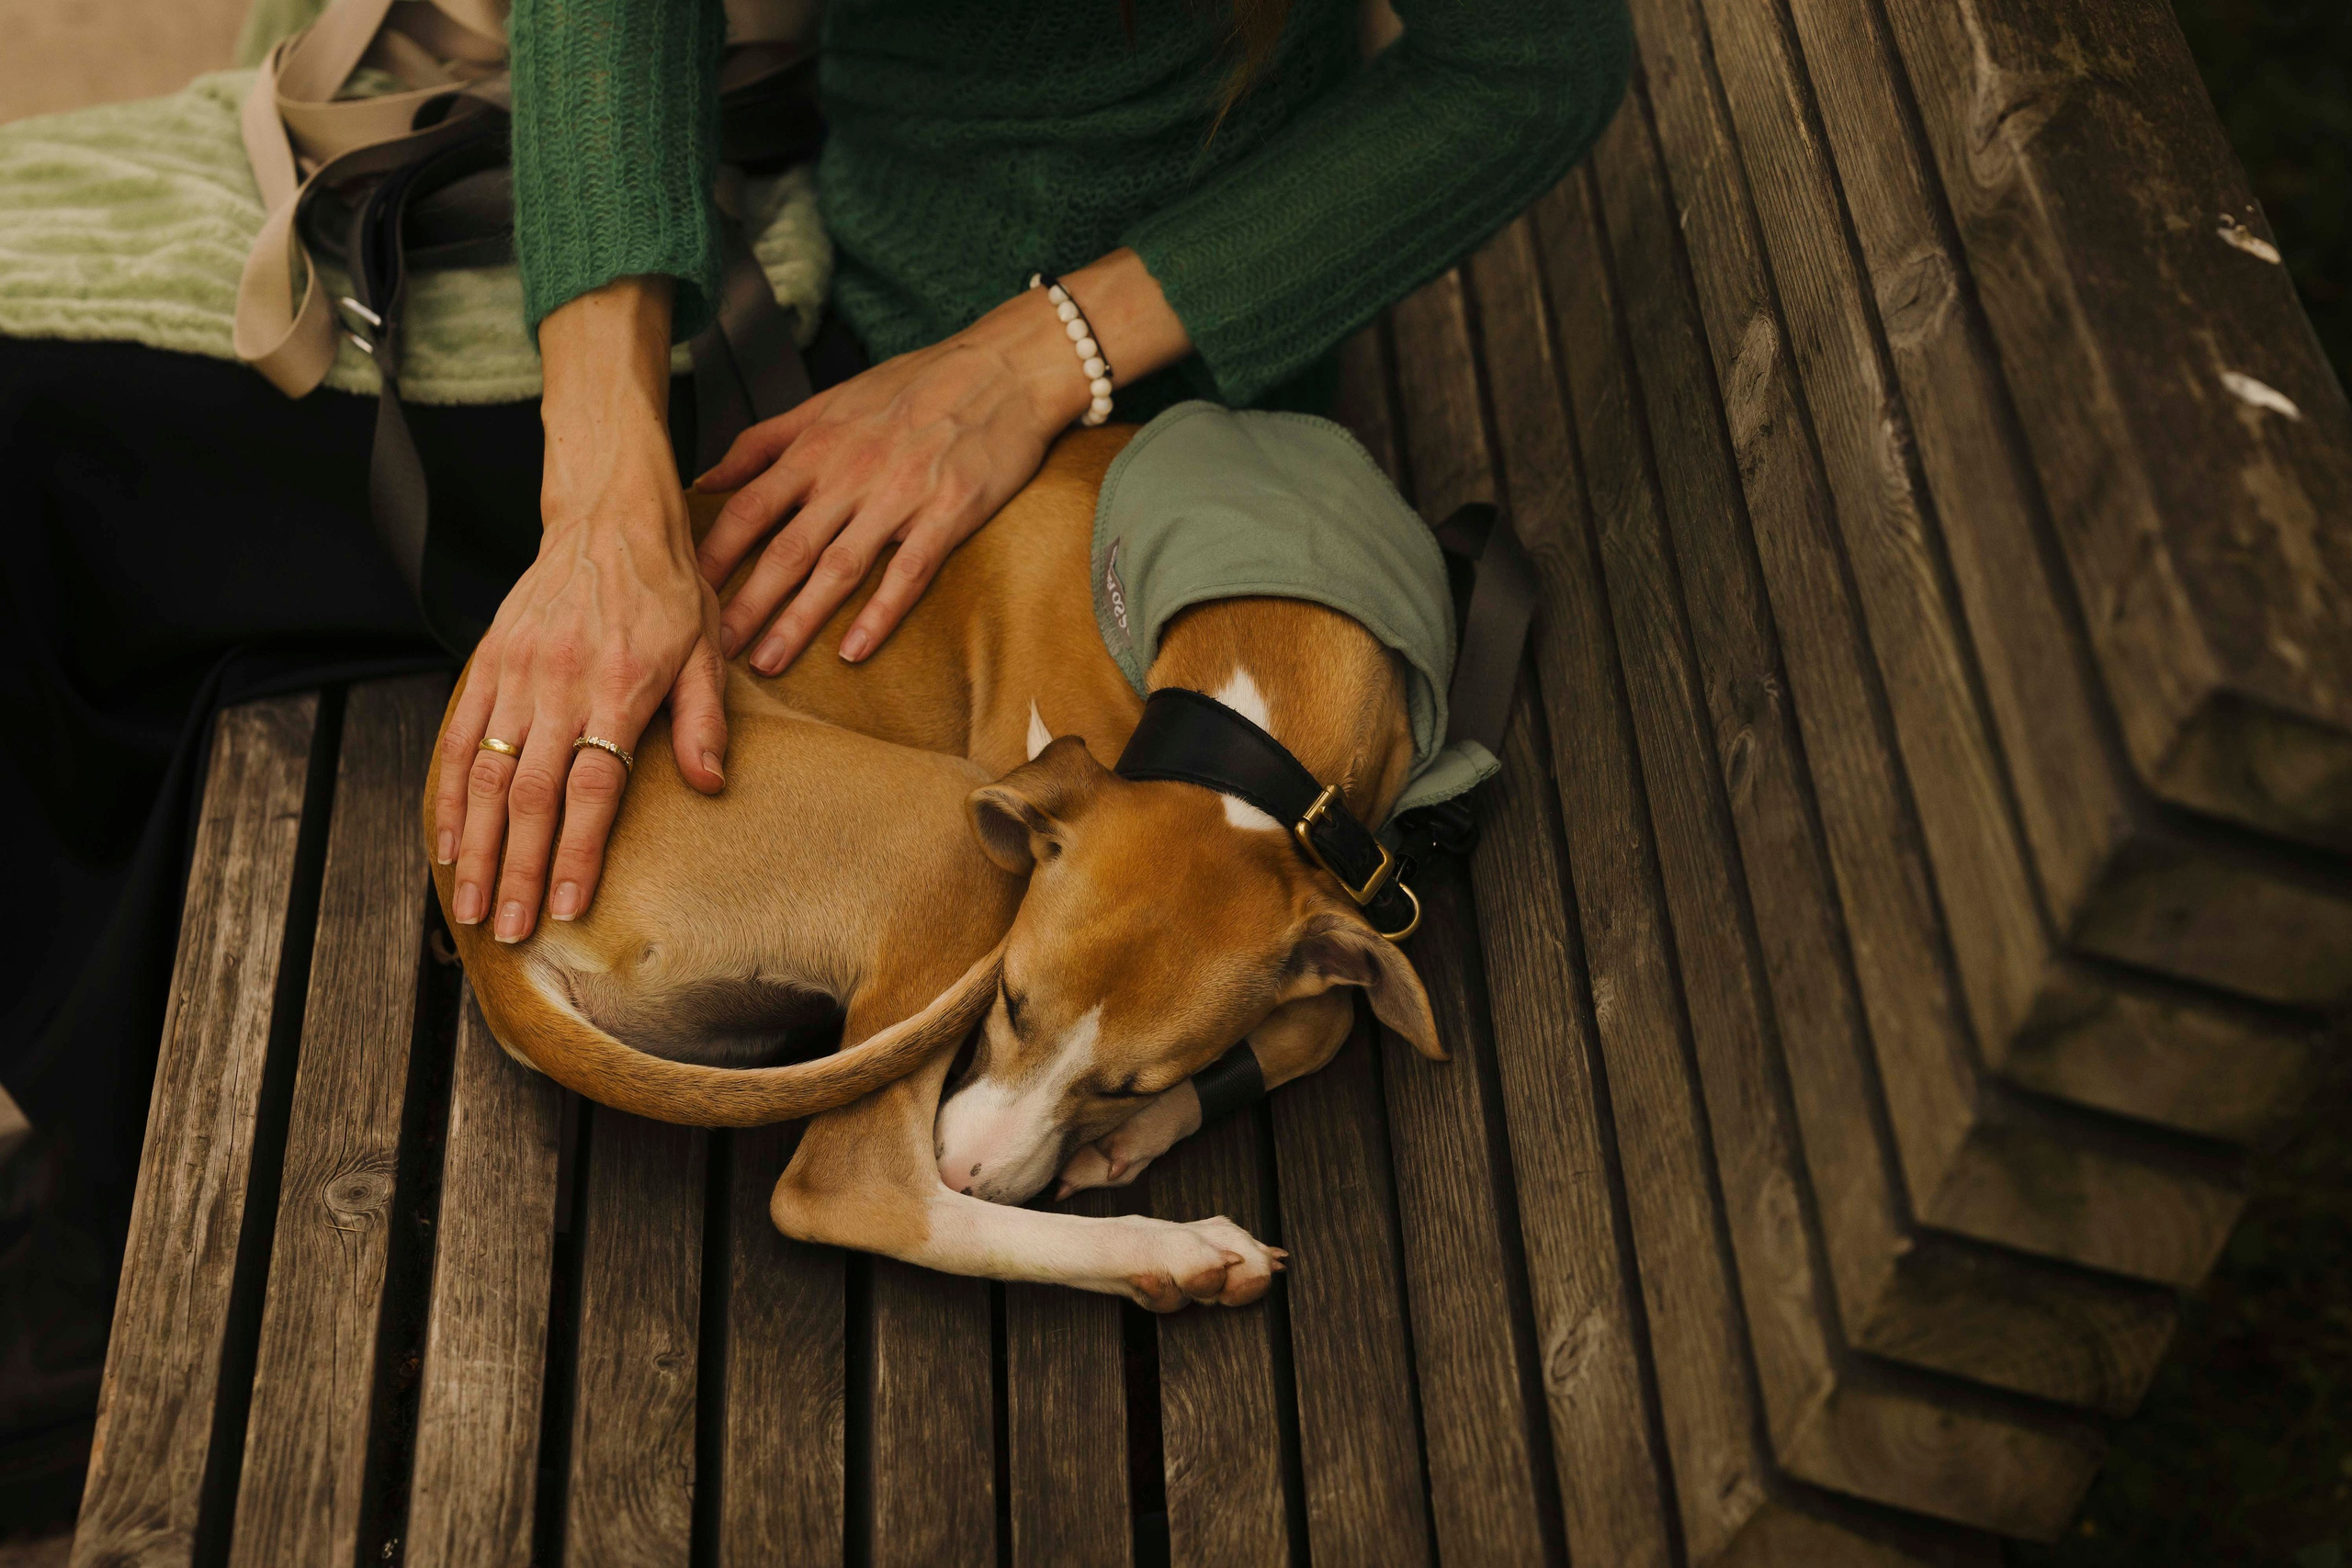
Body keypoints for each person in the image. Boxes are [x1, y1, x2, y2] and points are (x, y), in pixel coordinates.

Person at [0, 0, 1624, 1505]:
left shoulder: (1110, 733)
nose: (1003, 1139)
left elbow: (1530, 61)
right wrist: (605, 501)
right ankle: (135, 1193)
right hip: (801, 267)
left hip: (1036, 379)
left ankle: (130, 1236)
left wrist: (1035, 352)